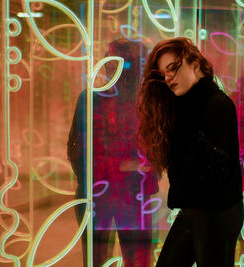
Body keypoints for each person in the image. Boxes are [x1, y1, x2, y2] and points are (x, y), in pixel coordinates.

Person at [137, 37, 244, 267]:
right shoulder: (184, 106)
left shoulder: (217, 104)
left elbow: (216, 170)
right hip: (195, 210)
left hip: (218, 213)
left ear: (194, 64)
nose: (168, 78)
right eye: (163, 73)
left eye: (173, 68)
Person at [67, 38, 158, 267]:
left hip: (119, 195)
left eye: (129, 64)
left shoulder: (144, 103)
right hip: (112, 195)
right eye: (117, 64)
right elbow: (77, 151)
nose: (123, 71)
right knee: (109, 259)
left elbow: (77, 151)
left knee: (120, 259)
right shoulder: (94, 99)